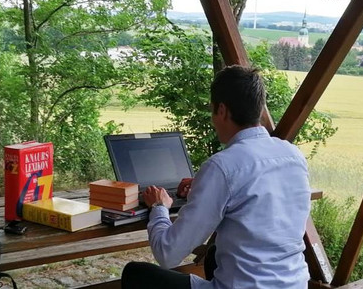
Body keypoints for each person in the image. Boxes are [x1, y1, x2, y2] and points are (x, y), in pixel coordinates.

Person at [121, 65, 312, 289]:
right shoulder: (293, 155)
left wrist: (158, 208)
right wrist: (205, 186)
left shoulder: (222, 166)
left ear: (222, 110)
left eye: (212, 110)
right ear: (258, 109)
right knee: (213, 257)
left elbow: (168, 254)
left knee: (135, 274)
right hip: (295, 284)